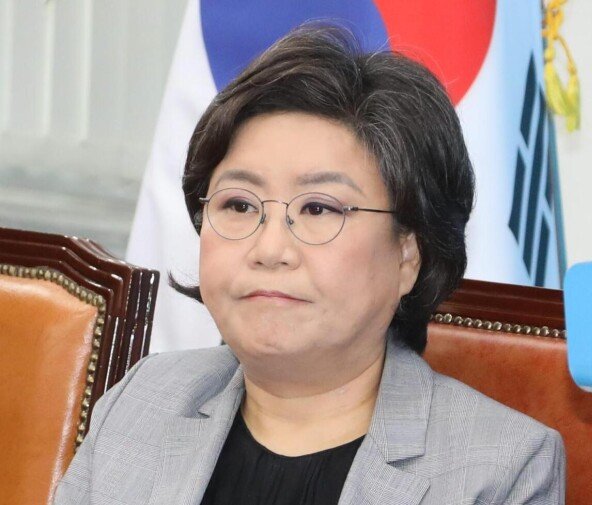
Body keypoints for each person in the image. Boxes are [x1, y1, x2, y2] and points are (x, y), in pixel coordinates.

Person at [54, 25, 565, 505]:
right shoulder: (142, 402)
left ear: (409, 254)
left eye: (318, 209)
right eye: (239, 204)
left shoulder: (499, 469)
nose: (270, 248)